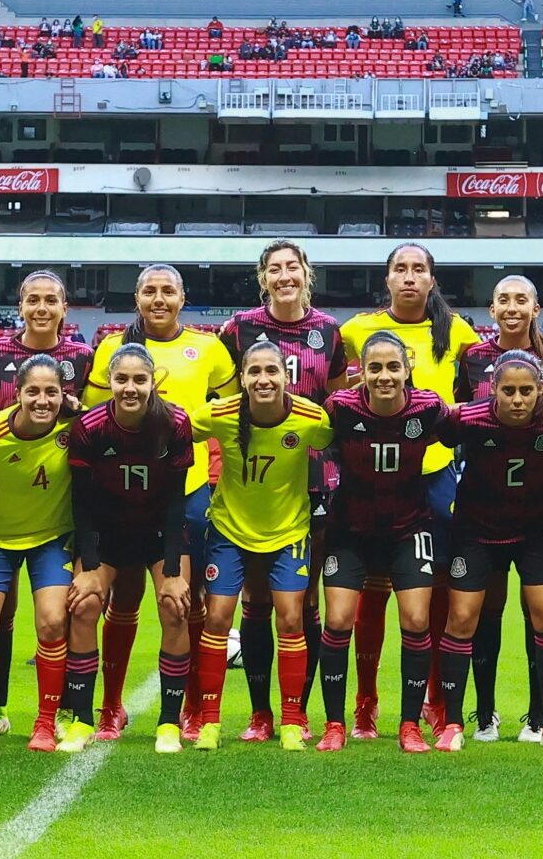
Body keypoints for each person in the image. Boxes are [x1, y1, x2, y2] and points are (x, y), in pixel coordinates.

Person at [84, 266, 236, 742]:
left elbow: (234, 413)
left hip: (184, 494)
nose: (158, 298)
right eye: (149, 290)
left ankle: (189, 708)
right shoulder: (112, 349)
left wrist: (216, 473)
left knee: (184, 602)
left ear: (182, 297)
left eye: (168, 290)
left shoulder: (209, 348)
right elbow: (93, 416)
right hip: (122, 499)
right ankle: (110, 706)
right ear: (136, 298)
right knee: (122, 600)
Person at [339, 244, 479, 740]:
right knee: (370, 593)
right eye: (401, 269)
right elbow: (335, 390)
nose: (410, 277)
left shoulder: (457, 331)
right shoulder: (355, 330)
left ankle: (436, 702)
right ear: (388, 278)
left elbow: (478, 390)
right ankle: (365, 703)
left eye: (420, 269)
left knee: (434, 590)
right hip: (372, 478)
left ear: (432, 279)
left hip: (433, 473)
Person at [215, 241, 348, 739]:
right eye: (275, 269)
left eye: (293, 267)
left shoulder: (329, 331)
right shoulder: (239, 329)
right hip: (256, 482)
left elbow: (335, 407)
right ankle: (259, 713)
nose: (285, 275)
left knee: (303, 601)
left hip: (314, 481)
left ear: (306, 273)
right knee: (256, 601)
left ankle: (299, 709)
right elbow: (226, 405)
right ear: (263, 277)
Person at [0, 270, 96, 728]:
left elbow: (93, 416)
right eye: (32, 300)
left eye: (51, 301)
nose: (41, 308)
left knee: (51, 617)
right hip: (1, 501)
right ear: (19, 306)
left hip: (52, 505)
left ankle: (52, 713)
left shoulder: (83, 356)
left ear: (64, 307)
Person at [189, 341, 334, 750]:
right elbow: (177, 426)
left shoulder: (309, 417)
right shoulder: (220, 413)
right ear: (242, 378)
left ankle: (291, 720)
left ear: (286, 377)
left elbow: (336, 441)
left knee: (290, 619)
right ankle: (211, 722)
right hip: (230, 532)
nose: (263, 379)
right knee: (217, 618)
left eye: (271, 371)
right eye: (254, 371)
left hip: (288, 533)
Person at [435, 351, 543, 752]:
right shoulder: (467, 419)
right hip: (477, 529)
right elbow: (437, 432)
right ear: (493, 390)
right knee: (463, 618)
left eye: (526, 391)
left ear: (541, 392)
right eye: (509, 391)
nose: (517, 399)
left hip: (537, 528)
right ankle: (454, 723)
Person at [314, 332, 450, 753]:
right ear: (362, 373)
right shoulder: (340, 408)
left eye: (393, 367)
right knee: (337, 620)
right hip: (351, 532)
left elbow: (470, 426)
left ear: (407, 370)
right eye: (375, 367)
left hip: (409, 530)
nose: (385, 376)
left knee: (415, 620)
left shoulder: (428, 408)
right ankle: (337, 722)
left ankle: (409, 724)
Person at [63, 344, 198, 753]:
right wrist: (87, 564)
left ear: (154, 381)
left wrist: (173, 571)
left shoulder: (174, 424)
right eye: (122, 379)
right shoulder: (90, 426)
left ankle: (168, 724)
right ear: (109, 381)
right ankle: (83, 720)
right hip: (105, 531)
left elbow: (177, 500)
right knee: (85, 603)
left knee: (176, 607)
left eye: (140, 379)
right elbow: (81, 502)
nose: (130, 388)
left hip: (159, 529)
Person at [452, 275, 543, 743]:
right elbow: (458, 414)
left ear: (537, 308)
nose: (512, 307)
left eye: (522, 299)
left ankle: (541, 717)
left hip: (540, 507)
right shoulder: (473, 357)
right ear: (491, 308)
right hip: (482, 507)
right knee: (484, 611)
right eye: (503, 300)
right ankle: (484, 714)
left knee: (539, 612)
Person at [0, 355, 76, 752]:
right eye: (33, 391)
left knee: (53, 622)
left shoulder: (74, 427)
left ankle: (45, 723)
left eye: (52, 392)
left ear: (64, 395)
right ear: (17, 394)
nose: (42, 401)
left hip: (51, 539)